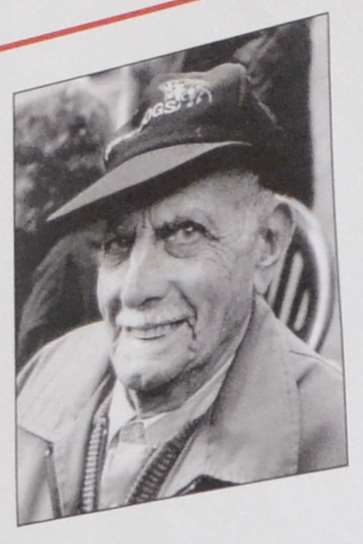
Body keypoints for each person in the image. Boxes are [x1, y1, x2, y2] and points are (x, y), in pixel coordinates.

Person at [16, 63, 347, 525]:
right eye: (118, 241)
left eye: (185, 232)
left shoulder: (338, 440)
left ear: (268, 242)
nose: (134, 289)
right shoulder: (44, 373)